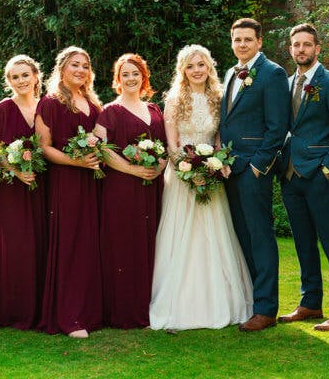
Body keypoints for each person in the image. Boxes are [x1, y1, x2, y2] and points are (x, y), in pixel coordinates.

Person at [149, 45, 253, 330]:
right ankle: (178, 303)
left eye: (201, 65)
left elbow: (219, 139)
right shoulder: (174, 99)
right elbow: (171, 145)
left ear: (209, 67)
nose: (197, 70)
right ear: (183, 70)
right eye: (191, 66)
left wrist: (215, 164)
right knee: (181, 234)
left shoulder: (218, 97)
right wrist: (187, 170)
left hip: (211, 176)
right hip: (182, 179)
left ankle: (219, 300)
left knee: (214, 235)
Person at [276, 23, 329, 331]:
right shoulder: (284, 84)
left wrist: (328, 168)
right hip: (290, 175)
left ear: (318, 48)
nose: (301, 49)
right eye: (296, 45)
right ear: (290, 49)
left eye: (306, 45)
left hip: (320, 177)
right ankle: (310, 302)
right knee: (303, 243)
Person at [219, 18, 290, 332]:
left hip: (253, 170)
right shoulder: (229, 74)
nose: (242, 44)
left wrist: (258, 166)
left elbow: (277, 127)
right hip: (229, 168)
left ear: (260, 42)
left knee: (260, 237)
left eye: (248, 39)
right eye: (237, 39)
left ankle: (266, 308)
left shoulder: (273, 73)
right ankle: (251, 301)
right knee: (242, 236)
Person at [94, 53, 167, 329]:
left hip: (153, 187)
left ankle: (150, 306)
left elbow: (164, 147)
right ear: (118, 79)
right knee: (124, 245)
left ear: (143, 77)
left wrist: (158, 167)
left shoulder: (154, 110)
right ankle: (124, 311)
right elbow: (102, 149)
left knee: (151, 244)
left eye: (135, 73)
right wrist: (134, 170)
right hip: (121, 188)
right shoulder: (109, 112)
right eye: (125, 74)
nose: (131, 78)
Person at [36, 47, 103, 338]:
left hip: (93, 181)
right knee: (70, 244)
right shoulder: (49, 103)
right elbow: (44, 147)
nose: (80, 70)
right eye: (75, 65)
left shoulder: (93, 102)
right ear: (62, 68)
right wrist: (75, 160)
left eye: (85, 66)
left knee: (90, 243)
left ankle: (91, 312)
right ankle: (69, 317)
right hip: (66, 181)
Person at [0, 55, 46, 330]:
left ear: (36, 76)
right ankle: (17, 310)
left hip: (43, 184)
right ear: (8, 81)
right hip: (13, 186)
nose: (21, 81)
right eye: (15, 77)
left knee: (42, 241)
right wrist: (16, 170)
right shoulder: (3, 108)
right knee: (17, 245)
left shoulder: (46, 106)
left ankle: (42, 307)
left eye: (25, 75)